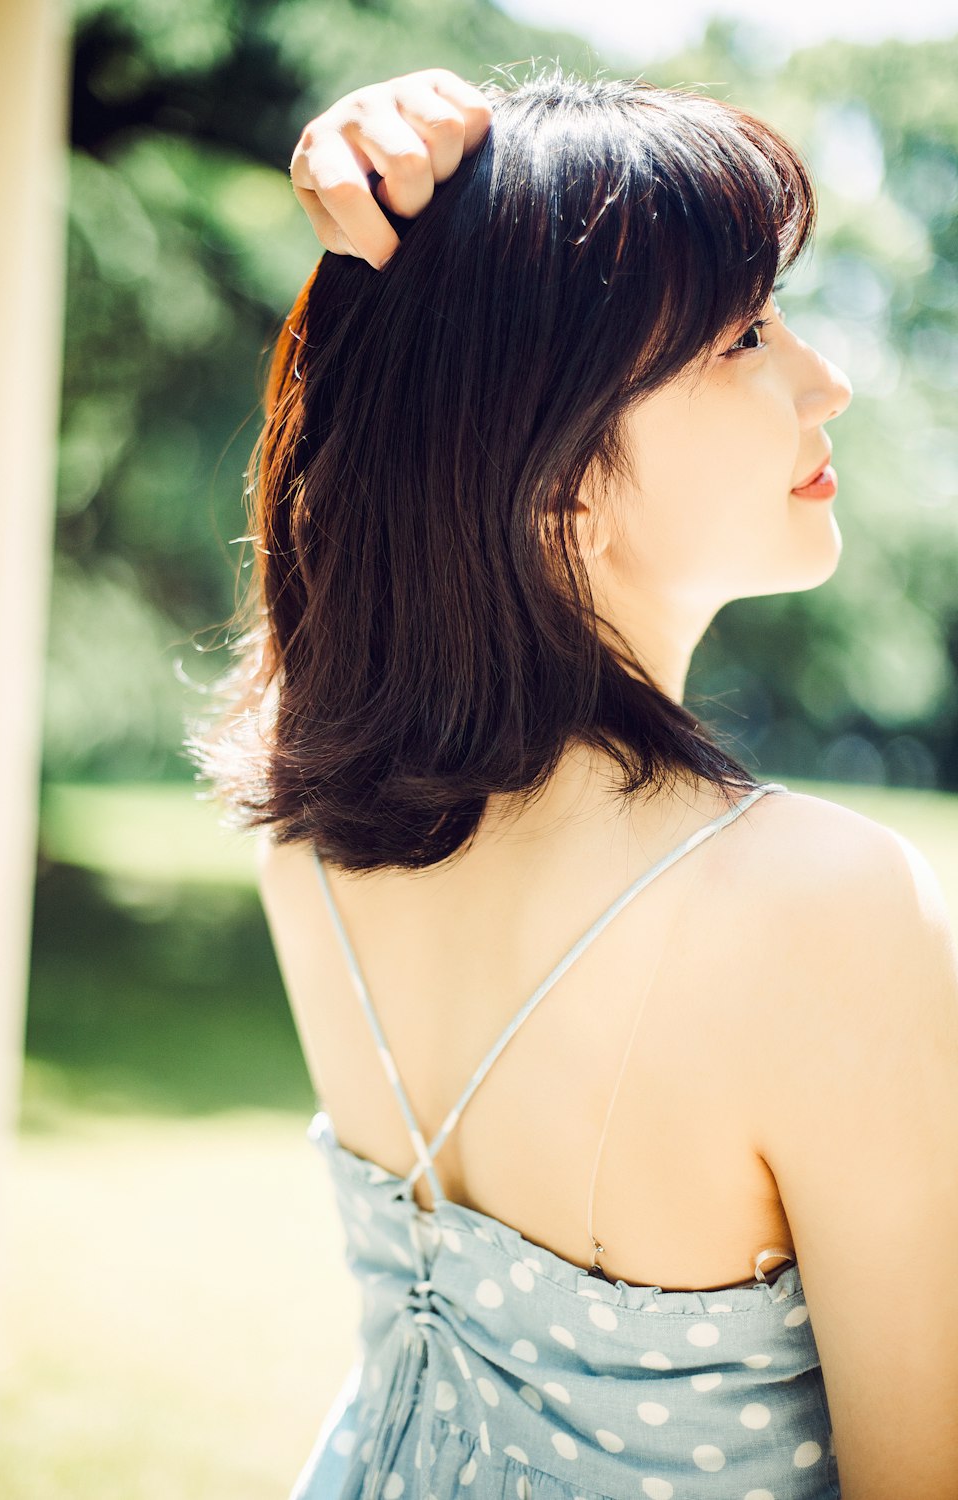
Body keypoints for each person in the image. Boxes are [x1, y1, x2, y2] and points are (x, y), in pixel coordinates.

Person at [188, 67, 958, 1500]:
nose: (827, 378)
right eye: (743, 337)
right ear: (557, 484)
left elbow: (399, 413)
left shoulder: (312, 832)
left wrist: (410, 188)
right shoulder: (814, 911)